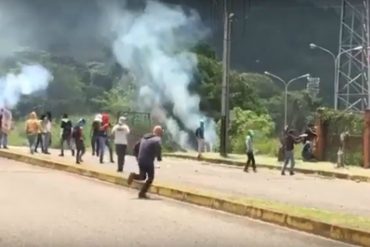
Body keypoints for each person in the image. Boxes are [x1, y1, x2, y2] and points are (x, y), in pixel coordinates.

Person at [128, 125, 163, 199]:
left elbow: (135, 147)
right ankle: (142, 193)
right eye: (161, 132)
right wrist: (159, 157)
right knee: (151, 177)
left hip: (141, 159)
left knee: (142, 176)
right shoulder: (157, 139)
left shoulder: (144, 138)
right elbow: (159, 147)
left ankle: (133, 175)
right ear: (159, 132)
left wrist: (137, 157)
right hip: (148, 161)